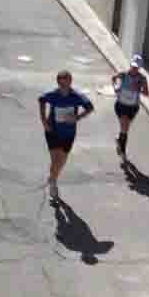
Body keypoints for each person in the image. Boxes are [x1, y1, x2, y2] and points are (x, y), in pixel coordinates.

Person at [38, 70, 94, 202]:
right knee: (55, 160)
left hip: (68, 134)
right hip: (52, 131)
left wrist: (77, 117)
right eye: (62, 84)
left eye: (67, 83)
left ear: (70, 82)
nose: (64, 86)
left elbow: (90, 107)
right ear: (58, 83)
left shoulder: (76, 96)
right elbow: (41, 100)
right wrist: (44, 121)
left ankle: (53, 178)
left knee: (61, 161)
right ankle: (53, 184)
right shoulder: (53, 95)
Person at [111, 56, 149, 161]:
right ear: (130, 65)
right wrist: (116, 88)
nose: (134, 69)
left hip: (133, 107)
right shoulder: (123, 75)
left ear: (140, 68)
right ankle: (123, 152)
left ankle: (119, 141)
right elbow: (113, 78)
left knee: (125, 129)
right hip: (121, 105)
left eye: (136, 67)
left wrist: (139, 89)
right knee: (124, 127)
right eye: (133, 66)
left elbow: (147, 93)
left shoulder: (142, 79)